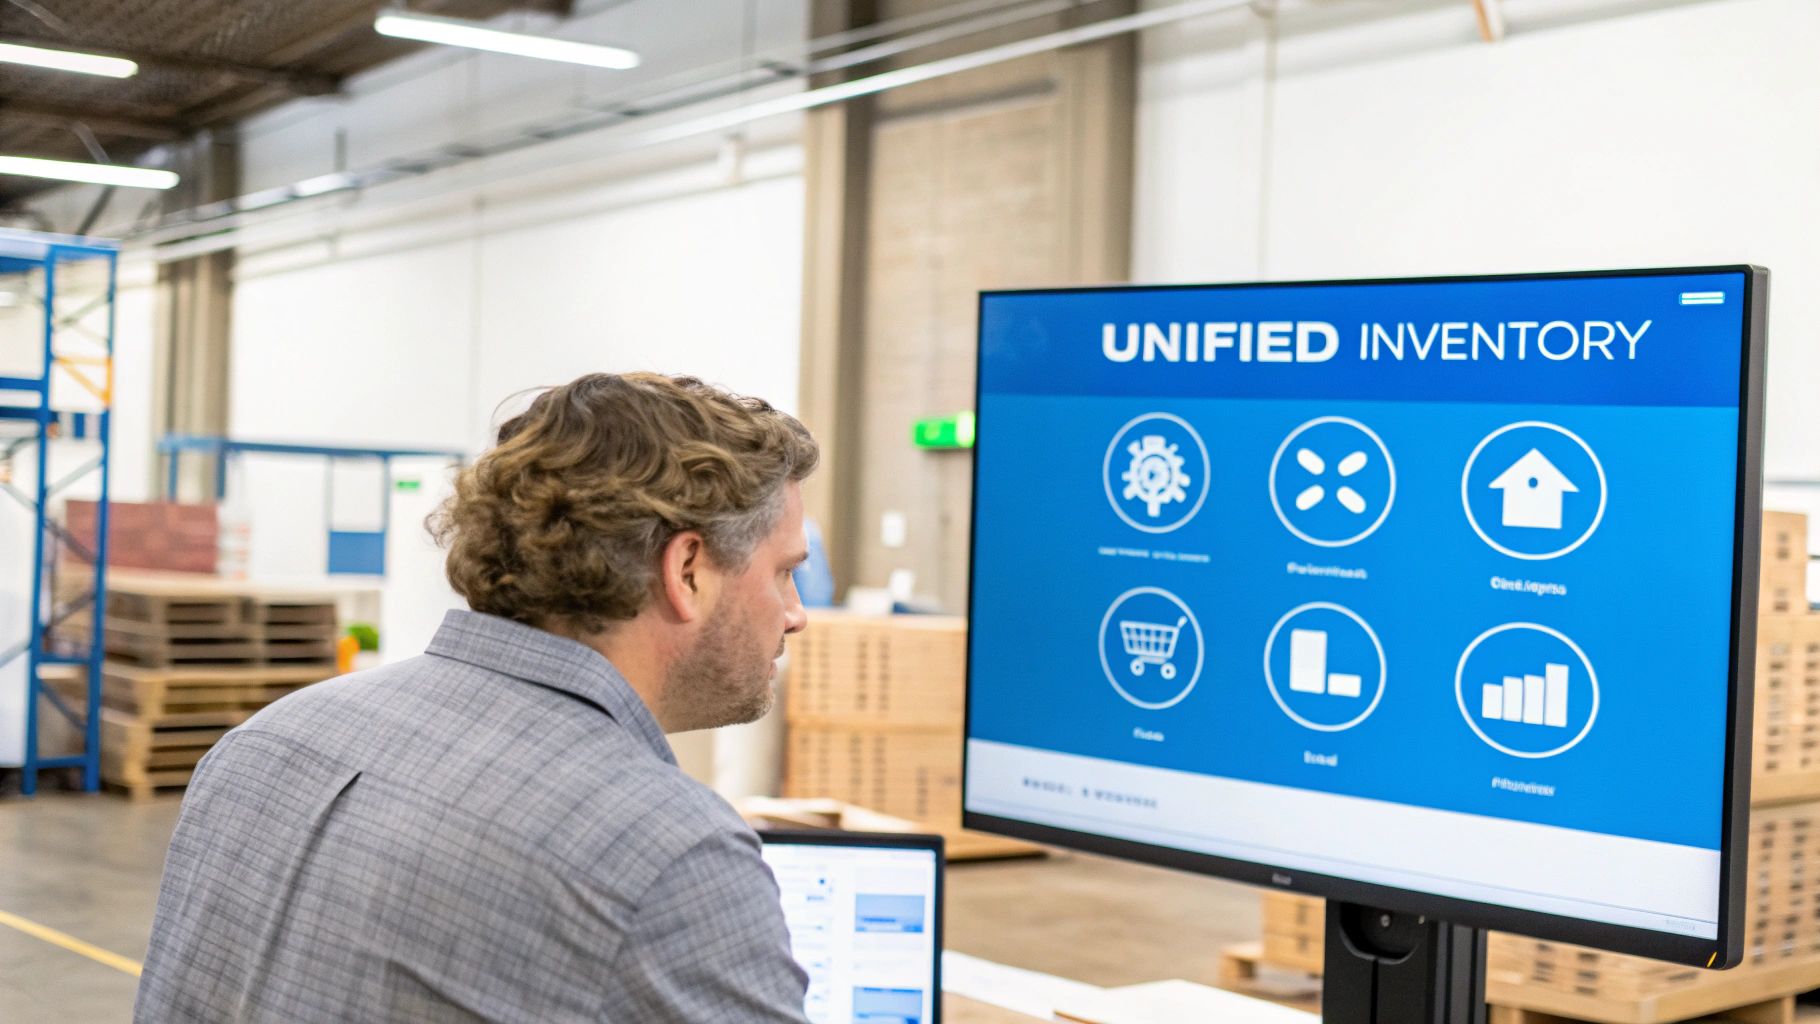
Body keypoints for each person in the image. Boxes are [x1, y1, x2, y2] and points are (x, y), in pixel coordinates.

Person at [135, 372, 819, 1022]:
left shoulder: (267, 740)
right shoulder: (670, 852)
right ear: (688, 570)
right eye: (784, 573)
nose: (795, 613)